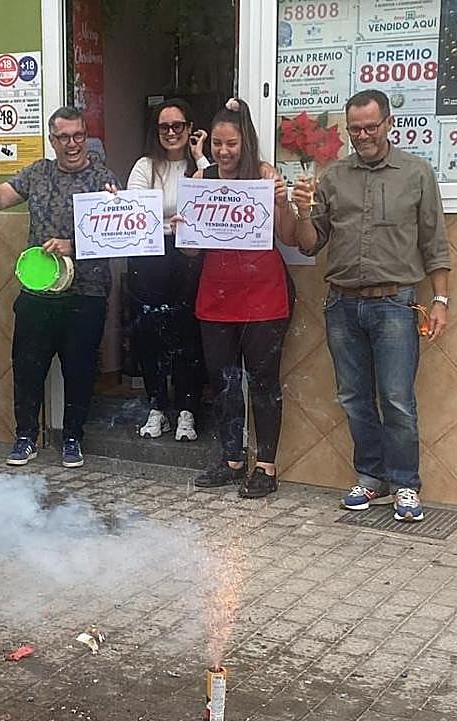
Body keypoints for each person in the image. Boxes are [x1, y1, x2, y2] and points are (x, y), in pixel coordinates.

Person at [292, 88, 450, 522]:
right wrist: (302, 211)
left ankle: (405, 484)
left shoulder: (416, 173)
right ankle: (371, 477)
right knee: (353, 398)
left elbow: (434, 242)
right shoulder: (333, 177)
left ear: (388, 124)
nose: (363, 135)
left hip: (396, 304)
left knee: (397, 399)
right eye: (355, 129)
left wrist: (440, 300)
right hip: (342, 306)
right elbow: (309, 245)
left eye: (370, 127)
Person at [0, 106, 119, 469]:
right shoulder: (37, 172)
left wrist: (73, 245)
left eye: (78, 135)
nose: (72, 143)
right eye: (63, 137)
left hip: (87, 290)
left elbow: (117, 234)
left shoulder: (104, 178)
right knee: (27, 366)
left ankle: (72, 439)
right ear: (52, 140)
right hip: (38, 289)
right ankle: (25, 438)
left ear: (86, 137)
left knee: (80, 369)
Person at [187, 97, 298, 498]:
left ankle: (266, 466)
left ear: (245, 142)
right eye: (217, 144)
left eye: (231, 143)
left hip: (263, 293)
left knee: (263, 381)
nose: (223, 151)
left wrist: (282, 202)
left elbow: (288, 237)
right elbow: (191, 252)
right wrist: (185, 228)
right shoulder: (201, 180)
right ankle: (232, 459)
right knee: (223, 381)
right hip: (216, 294)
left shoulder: (265, 175)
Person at [125, 98, 210, 442]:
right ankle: (157, 406)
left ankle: (187, 410)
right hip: (149, 258)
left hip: (189, 257)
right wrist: (165, 223)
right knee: (150, 335)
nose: (171, 132)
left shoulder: (200, 165)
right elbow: (135, 208)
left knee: (189, 333)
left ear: (190, 128)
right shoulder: (145, 166)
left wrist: (200, 155)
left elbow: (212, 193)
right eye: (164, 126)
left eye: (178, 125)